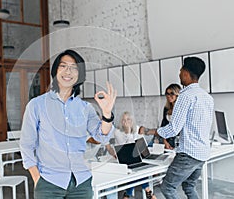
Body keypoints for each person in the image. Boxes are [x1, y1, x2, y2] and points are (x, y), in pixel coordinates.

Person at [19, 49, 117, 199]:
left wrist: (107, 113)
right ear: (55, 71)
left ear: (79, 75)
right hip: (49, 183)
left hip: (81, 182)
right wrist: (37, 177)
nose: (68, 71)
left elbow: (102, 136)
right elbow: (26, 144)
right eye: (63, 66)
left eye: (74, 68)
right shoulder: (36, 105)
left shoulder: (85, 108)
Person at [140, 57, 214, 199]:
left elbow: (173, 129)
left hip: (188, 154)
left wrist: (153, 131)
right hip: (202, 153)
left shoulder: (185, 96)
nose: (179, 74)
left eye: (180, 71)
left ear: (186, 73)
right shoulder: (207, 97)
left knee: (167, 188)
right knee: (189, 186)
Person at [109, 111, 155, 199]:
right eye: (123, 120)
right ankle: (147, 190)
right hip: (125, 160)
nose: (126, 122)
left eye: (128, 119)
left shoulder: (137, 129)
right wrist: (128, 131)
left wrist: (132, 132)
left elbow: (141, 146)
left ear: (132, 121)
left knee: (137, 169)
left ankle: (127, 194)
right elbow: (126, 148)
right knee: (134, 170)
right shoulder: (117, 132)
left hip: (136, 158)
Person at [156, 83, 182, 149]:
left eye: (172, 93)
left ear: (177, 95)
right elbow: (163, 126)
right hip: (168, 143)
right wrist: (165, 142)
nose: (168, 96)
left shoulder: (181, 109)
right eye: (167, 93)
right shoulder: (166, 109)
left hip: (179, 142)